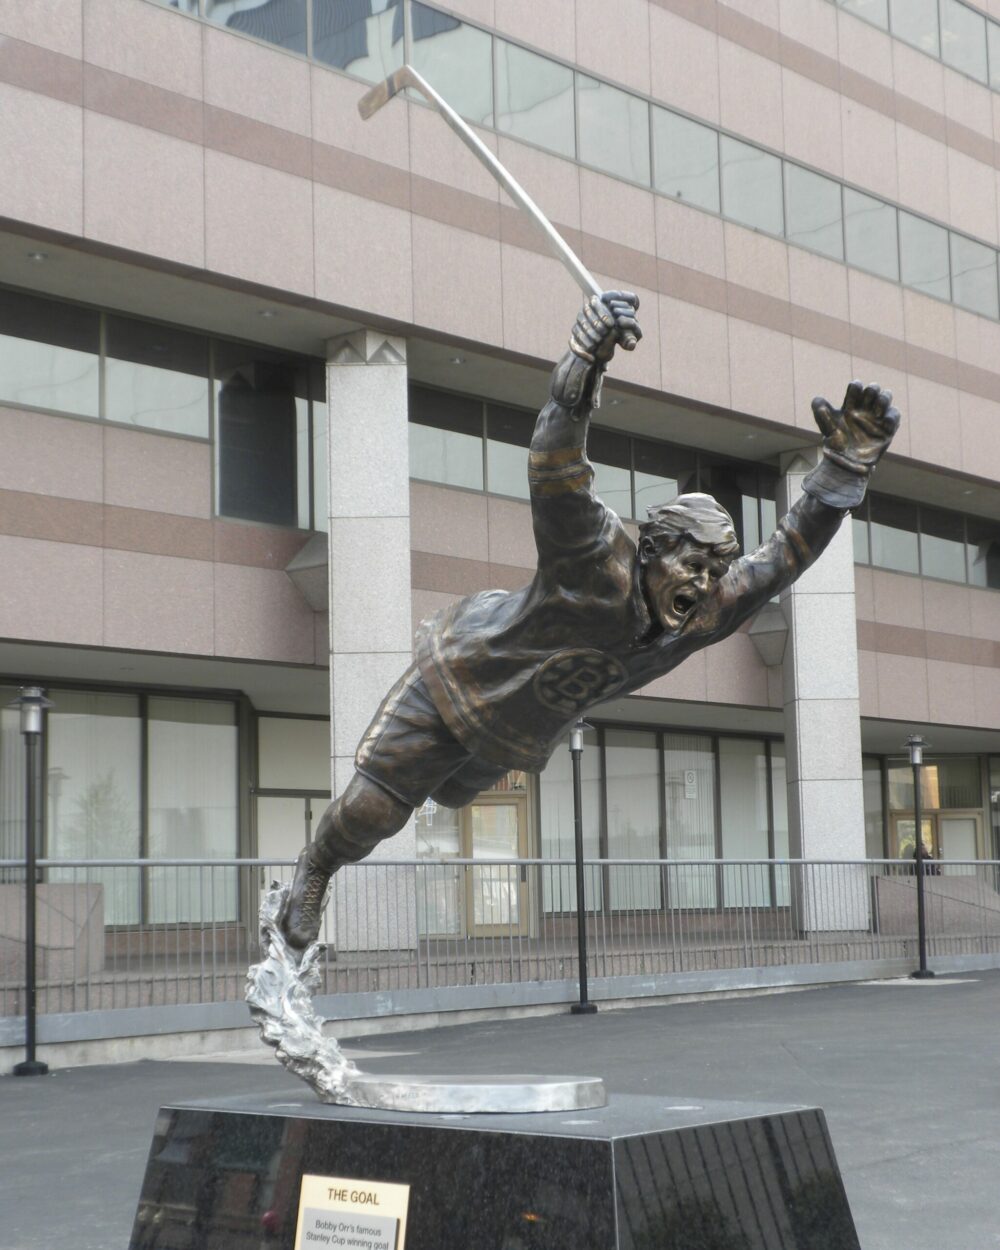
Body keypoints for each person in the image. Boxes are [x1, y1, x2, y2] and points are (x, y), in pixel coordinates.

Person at [282, 291, 900, 949]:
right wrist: (584, 360)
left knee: (457, 794)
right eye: (692, 565)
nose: (704, 583)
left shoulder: (709, 610)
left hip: (515, 731)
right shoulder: (594, 556)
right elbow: (556, 461)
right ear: (654, 549)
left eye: (716, 571)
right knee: (379, 807)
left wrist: (839, 474)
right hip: (462, 674)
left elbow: (785, 556)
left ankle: (411, 796)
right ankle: (312, 874)